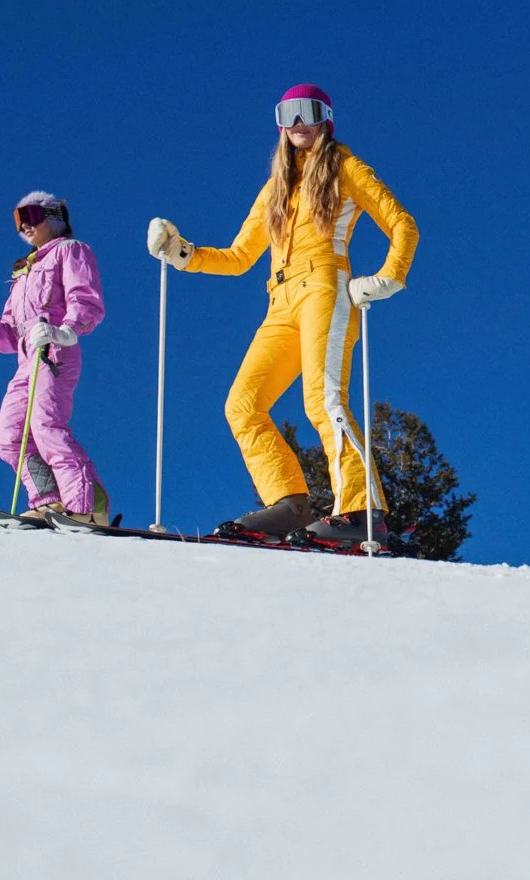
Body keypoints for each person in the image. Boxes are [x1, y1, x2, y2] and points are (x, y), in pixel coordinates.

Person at [147, 84, 418, 548]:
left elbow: (402, 222)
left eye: (307, 112)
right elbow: (238, 256)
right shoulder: (275, 188)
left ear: (325, 118)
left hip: (326, 289)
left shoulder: (344, 168)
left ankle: (361, 510)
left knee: (323, 399)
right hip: (281, 302)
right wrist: (183, 254)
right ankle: (289, 504)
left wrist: (390, 275)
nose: (297, 123)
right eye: (287, 113)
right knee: (242, 405)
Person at [0, 192, 109, 524]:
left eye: (32, 216)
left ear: (53, 217)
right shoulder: (23, 272)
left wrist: (66, 330)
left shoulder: (71, 251)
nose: (25, 226)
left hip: (55, 350)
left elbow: (86, 299)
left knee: (47, 425)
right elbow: (10, 334)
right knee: (9, 435)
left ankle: (86, 507)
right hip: (27, 359)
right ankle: (49, 500)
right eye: (18, 220)